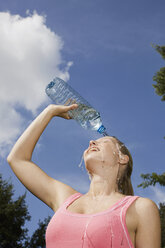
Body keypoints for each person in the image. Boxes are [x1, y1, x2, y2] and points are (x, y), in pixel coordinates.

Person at [7, 104, 161, 248]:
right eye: (93, 141)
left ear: (122, 158)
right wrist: (50, 111)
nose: (92, 141)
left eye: (104, 141)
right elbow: (17, 159)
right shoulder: (65, 199)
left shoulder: (141, 208)